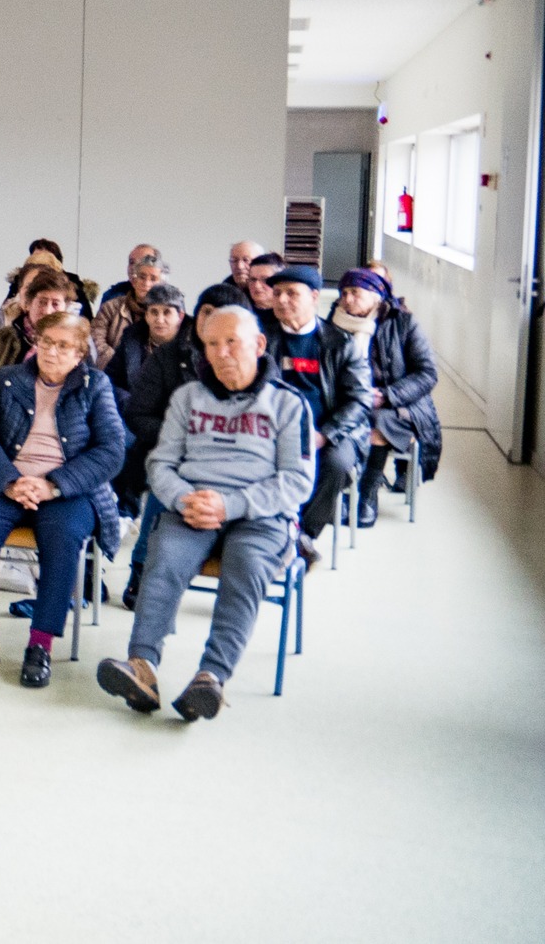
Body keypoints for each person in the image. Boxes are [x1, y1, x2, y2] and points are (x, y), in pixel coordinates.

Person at [98, 306, 311, 722]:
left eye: (232, 341)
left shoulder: (288, 404)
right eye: (212, 343)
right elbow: (161, 465)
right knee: (162, 563)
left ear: (259, 345)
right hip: (193, 508)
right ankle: (142, 667)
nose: (221, 352)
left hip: (260, 515)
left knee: (245, 566)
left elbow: (297, 481)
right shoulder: (188, 397)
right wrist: (183, 499)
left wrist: (230, 505)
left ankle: (211, 677)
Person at [0, 313, 126, 688]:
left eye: (63, 345)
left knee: (64, 536)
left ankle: (41, 643)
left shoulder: (95, 385)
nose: (52, 351)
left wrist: (53, 485)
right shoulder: (7, 380)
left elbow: (111, 450)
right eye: (47, 341)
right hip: (8, 482)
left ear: (80, 352)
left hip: (66, 489)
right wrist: (10, 481)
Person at [115, 284, 247, 608]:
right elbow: (138, 414)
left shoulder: (251, 362)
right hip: (172, 448)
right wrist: (180, 438)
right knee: (166, 479)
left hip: (233, 456)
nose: (213, 323)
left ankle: (228, 561)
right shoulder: (168, 356)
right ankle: (142, 567)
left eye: (224, 317)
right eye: (207, 314)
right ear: (195, 315)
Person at [264, 264, 372, 560]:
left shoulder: (341, 343)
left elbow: (360, 399)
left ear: (314, 297)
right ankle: (269, 529)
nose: (282, 300)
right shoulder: (262, 340)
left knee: (336, 464)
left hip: (331, 431)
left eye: (291, 293)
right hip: (273, 430)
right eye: (277, 293)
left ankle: (304, 534)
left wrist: (325, 434)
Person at [332, 267, 441, 525]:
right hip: (350, 396)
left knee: (377, 423)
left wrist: (387, 395)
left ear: (376, 296)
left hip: (399, 403)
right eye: (343, 293)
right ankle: (337, 491)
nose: (347, 299)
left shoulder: (403, 322)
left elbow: (427, 373)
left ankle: (366, 496)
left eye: (355, 293)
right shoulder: (334, 321)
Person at [0, 265, 80, 386]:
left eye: (55, 304)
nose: (47, 311)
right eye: (42, 302)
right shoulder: (1, 340)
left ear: (65, 308)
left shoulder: (75, 346)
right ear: (28, 304)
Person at [106, 281, 187, 403]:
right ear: (146, 315)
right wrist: (130, 402)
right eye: (154, 312)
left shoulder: (194, 344)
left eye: (167, 312)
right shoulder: (131, 338)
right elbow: (109, 381)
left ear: (180, 316)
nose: (160, 320)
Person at [88, 246, 165, 366]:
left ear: (161, 281)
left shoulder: (168, 311)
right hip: (112, 373)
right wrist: (119, 365)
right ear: (134, 279)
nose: (146, 283)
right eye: (142, 276)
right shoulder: (111, 306)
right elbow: (95, 337)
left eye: (153, 278)